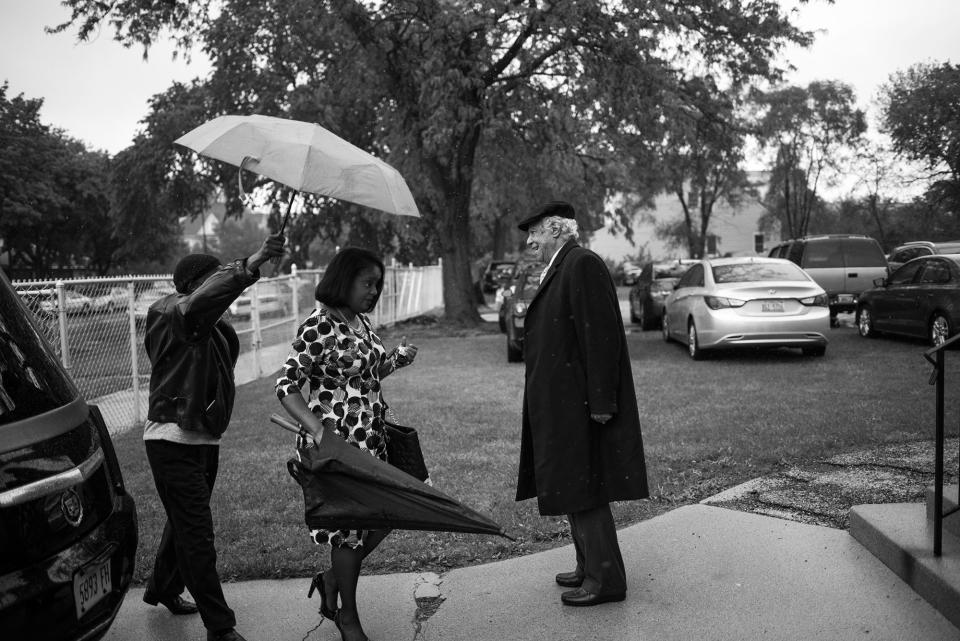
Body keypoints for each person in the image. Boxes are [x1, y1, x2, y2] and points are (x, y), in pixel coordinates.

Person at [142, 233, 286, 641]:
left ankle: (162, 587)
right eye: (213, 281)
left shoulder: (208, 323)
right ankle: (220, 627)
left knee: (182, 523)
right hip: (172, 440)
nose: (218, 290)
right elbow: (204, 301)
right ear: (194, 286)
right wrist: (251, 263)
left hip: (203, 439)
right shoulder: (173, 313)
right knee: (197, 535)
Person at [275, 247, 418, 641]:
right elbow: (286, 385)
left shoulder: (360, 322)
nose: (373, 291)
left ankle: (331, 577)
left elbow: (364, 379)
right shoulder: (319, 325)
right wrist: (320, 433)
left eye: (377, 284)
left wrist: (393, 361)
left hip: (370, 440)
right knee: (350, 531)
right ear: (344, 280)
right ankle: (348, 618)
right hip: (336, 447)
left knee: (389, 512)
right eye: (366, 283)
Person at [515, 201, 648, 607]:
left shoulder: (582, 264)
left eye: (535, 231)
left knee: (585, 488)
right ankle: (587, 564)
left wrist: (603, 401)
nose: (529, 240)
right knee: (572, 486)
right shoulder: (561, 265)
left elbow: (602, 336)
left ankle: (604, 580)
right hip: (561, 403)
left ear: (556, 229)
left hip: (580, 404)